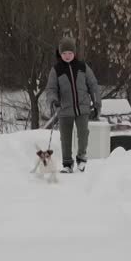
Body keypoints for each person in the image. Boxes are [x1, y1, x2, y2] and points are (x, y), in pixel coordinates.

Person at [46, 36, 102, 173]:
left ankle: (81, 159)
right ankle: (67, 164)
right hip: (64, 109)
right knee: (65, 138)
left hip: (82, 108)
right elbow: (51, 89)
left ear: (74, 53)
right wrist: (53, 100)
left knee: (83, 134)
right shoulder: (56, 70)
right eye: (64, 53)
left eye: (70, 53)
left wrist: (96, 102)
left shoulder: (83, 67)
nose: (67, 56)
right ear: (60, 53)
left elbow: (93, 85)